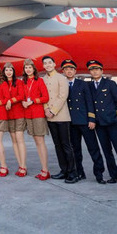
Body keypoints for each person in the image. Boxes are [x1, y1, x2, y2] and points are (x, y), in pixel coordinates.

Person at [87, 60, 117, 186]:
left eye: (97, 69)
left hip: (113, 122)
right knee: (107, 152)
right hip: (100, 124)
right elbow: (90, 104)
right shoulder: (89, 86)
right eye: (92, 70)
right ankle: (114, 175)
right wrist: (92, 119)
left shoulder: (110, 84)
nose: (94, 71)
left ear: (102, 71)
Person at [62, 59, 105, 184]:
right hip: (71, 122)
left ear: (75, 71)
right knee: (76, 150)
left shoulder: (83, 84)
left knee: (93, 148)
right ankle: (79, 172)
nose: (69, 71)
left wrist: (92, 119)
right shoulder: (63, 84)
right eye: (66, 69)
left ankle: (99, 174)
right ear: (63, 71)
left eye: (71, 69)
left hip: (85, 121)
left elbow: (89, 102)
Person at [42, 55, 76, 183]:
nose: (48, 65)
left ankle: (72, 172)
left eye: (50, 62)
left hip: (61, 116)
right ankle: (64, 170)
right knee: (57, 145)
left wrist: (52, 110)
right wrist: (46, 109)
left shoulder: (61, 78)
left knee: (66, 145)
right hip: (50, 118)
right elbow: (43, 95)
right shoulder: (43, 79)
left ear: (54, 64)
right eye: (45, 63)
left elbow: (63, 96)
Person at [21, 59, 50, 181]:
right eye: (26, 68)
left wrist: (33, 101)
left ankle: (45, 170)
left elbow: (45, 97)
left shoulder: (39, 81)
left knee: (40, 142)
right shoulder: (24, 82)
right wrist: (23, 101)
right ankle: (43, 169)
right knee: (36, 142)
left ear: (34, 69)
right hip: (29, 115)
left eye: (30, 67)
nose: (28, 69)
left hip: (38, 114)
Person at [3, 63, 28, 177]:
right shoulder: (2, 83)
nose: (8, 72)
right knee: (13, 141)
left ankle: (24, 166)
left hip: (18, 114)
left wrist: (10, 101)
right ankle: (20, 165)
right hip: (8, 115)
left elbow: (21, 95)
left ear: (13, 71)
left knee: (19, 139)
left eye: (10, 70)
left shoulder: (18, 82)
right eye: (6, 70)